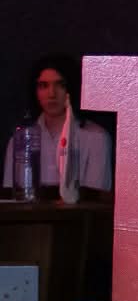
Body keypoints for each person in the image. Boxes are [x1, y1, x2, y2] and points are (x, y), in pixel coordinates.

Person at [3, 55, 114, 196]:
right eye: (44, 85)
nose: (52, 94)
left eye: (60, 85)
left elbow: (96, 201)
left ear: (72, 88)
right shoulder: (20, 139)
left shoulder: (96, 138)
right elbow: (10, 197)